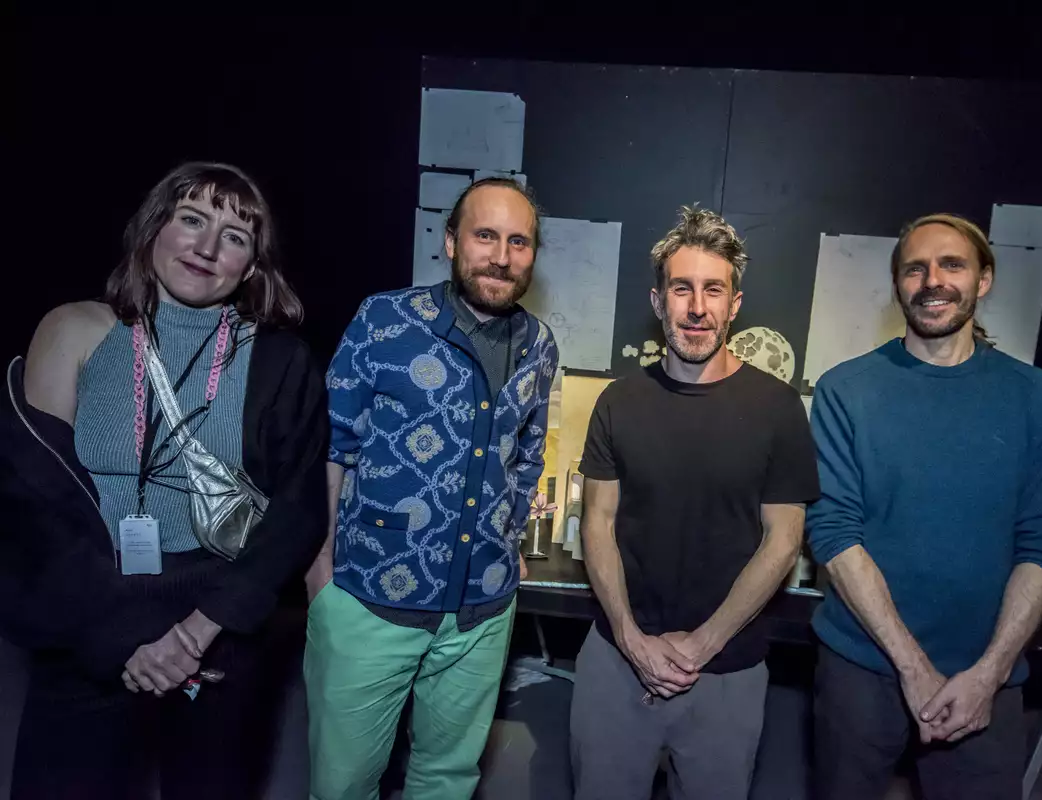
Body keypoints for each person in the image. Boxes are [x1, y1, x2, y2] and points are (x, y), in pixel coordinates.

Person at [1, 162, 329, 799]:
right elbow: (32, 507)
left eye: (235, 236)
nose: (207, 247)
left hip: (218, 626)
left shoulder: (281, 360)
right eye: (192, 219)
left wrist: (198, 631)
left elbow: (297, 513)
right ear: (154, 228)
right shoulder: (73, 329)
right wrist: (125, 640)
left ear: (252, 265)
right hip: (88, 616)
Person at [305, 177, 558, 800]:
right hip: (368, 599)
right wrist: (319, 572)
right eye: (485, 235)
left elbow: (526, 457)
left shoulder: (540, 346)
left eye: (519, 241)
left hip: (482, 613)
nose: (501, 255)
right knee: (342, 786)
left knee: (446, 780)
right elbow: (330, 447)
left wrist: (508, 536)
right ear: (451, 242)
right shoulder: (384, 319)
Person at [805, 213, 1042, 800]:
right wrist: (913, 665)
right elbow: (832, 530)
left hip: (986, 668)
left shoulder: (1040, 400)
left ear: (984, 280)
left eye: (952, 264)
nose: (933, 280)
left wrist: (990, 672)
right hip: (863, 661)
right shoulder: (846, 390)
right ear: (898, 285)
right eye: (915, 268)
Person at [570, 207, 820, 800]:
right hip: (617, 661)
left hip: (728, 671)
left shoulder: (778, 409)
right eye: (681, 288)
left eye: (714, 290)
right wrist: (631, 638)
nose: (697, 307)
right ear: (659, 302)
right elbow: (598, 524)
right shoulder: (619, 402)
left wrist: (701, 646)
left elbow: (783, 539)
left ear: (735, 304)